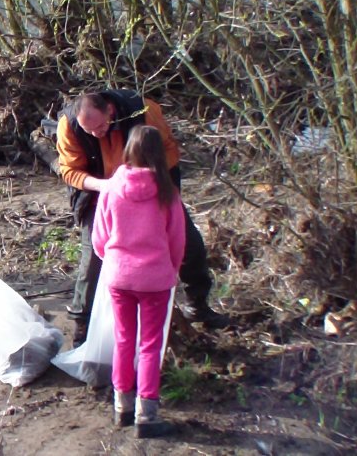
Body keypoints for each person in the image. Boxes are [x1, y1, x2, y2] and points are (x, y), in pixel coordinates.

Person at [55, 89, 229, 345]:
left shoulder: (144, 110)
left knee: (190, 243)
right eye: (88, 130)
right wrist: (107, 186)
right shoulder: (68, 125)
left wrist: (144, 176)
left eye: (100, 127)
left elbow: (170, 150)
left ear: (110, 111)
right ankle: (83, 321)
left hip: (152, 187)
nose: (95, 134)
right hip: (100, 193)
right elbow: (70, 171)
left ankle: (197, 305)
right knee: (92, 255)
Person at [92, 126, 184, 438]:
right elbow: (177, 241)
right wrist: (171, 269)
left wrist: (115, 261)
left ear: (129, 150)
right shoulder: (167, 192)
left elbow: (99, 238)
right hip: (156, 279)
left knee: (123, 339)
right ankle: (147, 414)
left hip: (119, 277)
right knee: (150, 345)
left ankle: (122, 407)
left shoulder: (111, 188)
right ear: (159, 153)